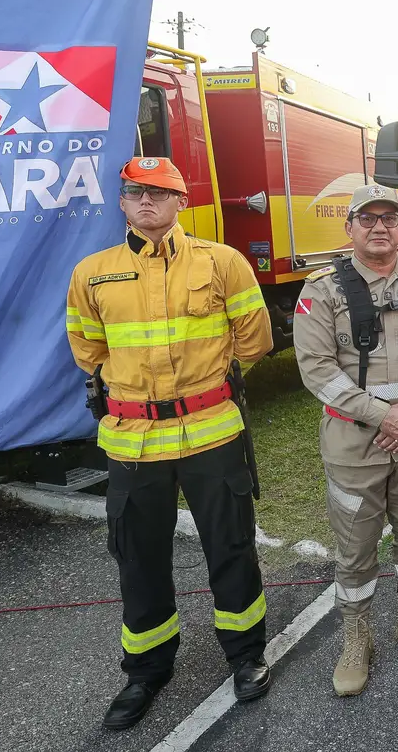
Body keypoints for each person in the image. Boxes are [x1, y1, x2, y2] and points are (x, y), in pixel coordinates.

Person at [65, 157, 273, 731]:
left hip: (211, 432)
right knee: (138, 559)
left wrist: (204, 384)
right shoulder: (92, 273)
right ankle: (146, 671)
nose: (146, 201)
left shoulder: (223, 262)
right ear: (122, 202)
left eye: (159, 193)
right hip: (134, 441)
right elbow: (87, 349)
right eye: (135, 192)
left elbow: (255, 340)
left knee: (230, 548)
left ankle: (246, 656)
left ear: (182, 201)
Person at [293, 184, 398, 697]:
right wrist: (382, 416)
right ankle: (357, 637)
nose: (379, 227)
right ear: (349, 227)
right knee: (355, 547)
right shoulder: (322, 291)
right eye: (367, 218)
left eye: (389, 218)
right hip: (354, 442)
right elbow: (317, 369)